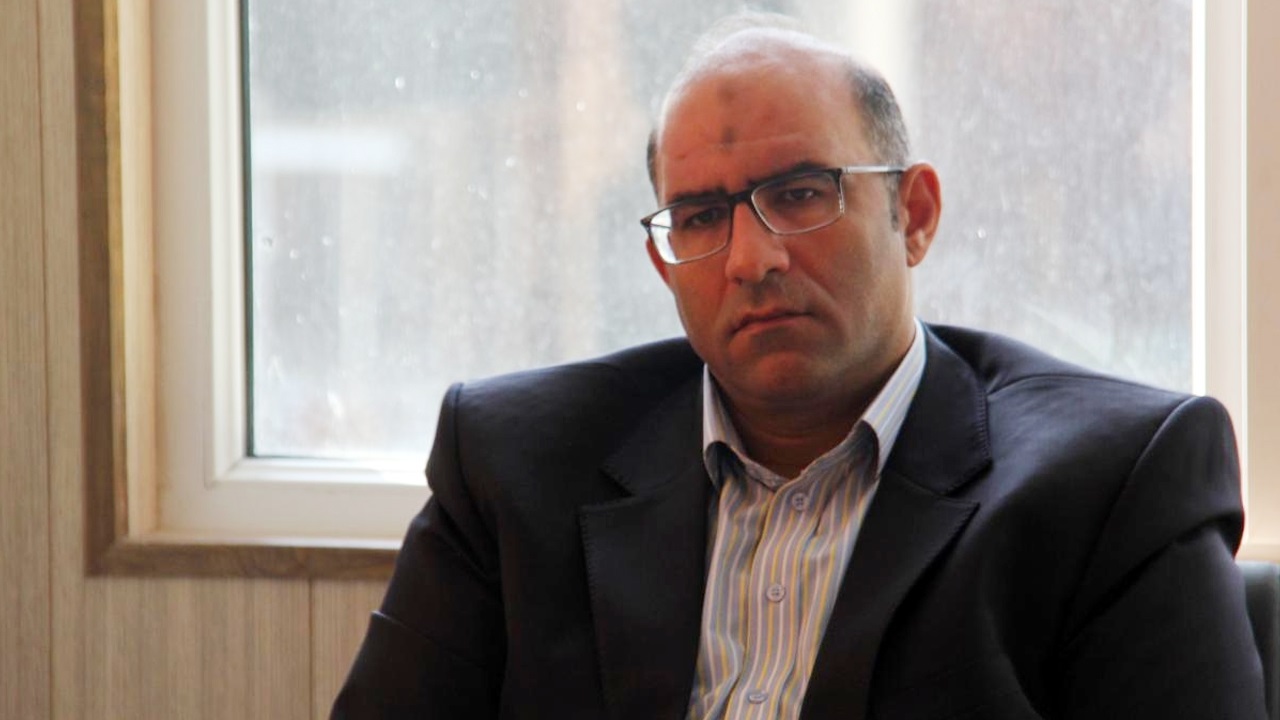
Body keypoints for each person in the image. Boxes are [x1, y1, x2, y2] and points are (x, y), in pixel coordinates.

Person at [333, 15, 1266, 720]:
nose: (752, 258)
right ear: (664, 261)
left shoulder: (1113, 484)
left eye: (800, 193)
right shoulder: (511, 463)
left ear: (915, 216)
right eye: (701, 217)